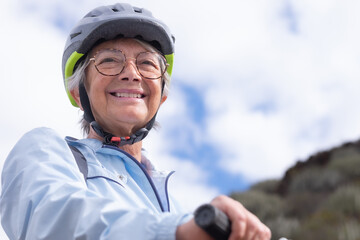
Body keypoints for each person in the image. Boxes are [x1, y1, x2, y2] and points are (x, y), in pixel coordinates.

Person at [0, 3, 271, 240]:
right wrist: (175, 232)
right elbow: (52, 220)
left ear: (160, 97)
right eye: (109, 60)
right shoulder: (47, 151)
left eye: (148, 64)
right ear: (79, 94)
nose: (131, 73)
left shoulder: (180, 209)